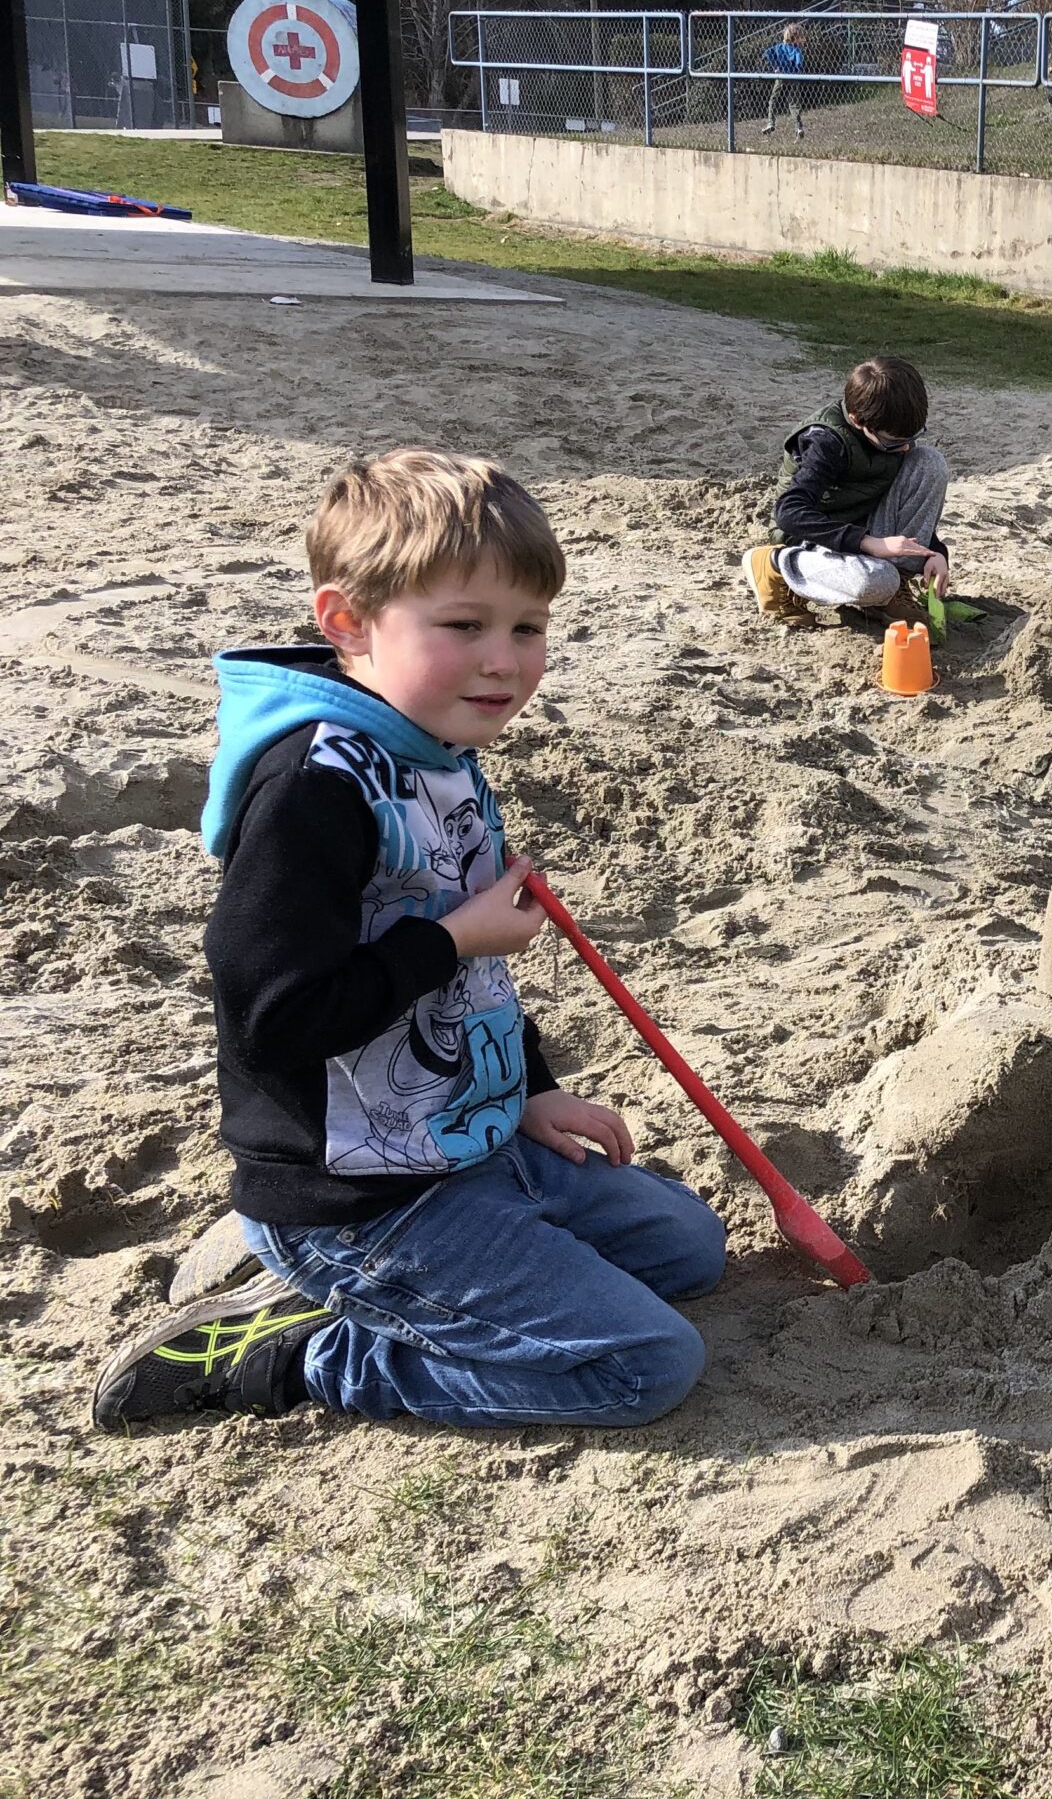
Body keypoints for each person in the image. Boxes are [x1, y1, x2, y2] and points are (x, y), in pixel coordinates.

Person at [92, 451, 728, 1433]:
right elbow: (275, 1019)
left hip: (464, 1144)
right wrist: (451, 938)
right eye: (464, 626)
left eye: (528, 628)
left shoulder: (439, 747)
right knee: (645, 1364)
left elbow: (472, 988)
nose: (504, 660)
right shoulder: (315, 787)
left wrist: (532, 1088)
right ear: (348, 622)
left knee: (691, 1251)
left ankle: (460, 1261)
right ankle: (313, 1352)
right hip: (358, 1199)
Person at [744, 355, 952, 629]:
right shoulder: (825, 441)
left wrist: (935, 553)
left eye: (911, 438)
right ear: (856, 420)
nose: (904, 448)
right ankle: (775, 566)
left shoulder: (891, 432)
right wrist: (870, 543)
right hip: (814, 537)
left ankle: (893, 591)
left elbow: (904, 504)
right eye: (894, 442)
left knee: (930, 461)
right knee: (877, 581)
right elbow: (789, 512)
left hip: (863, 524)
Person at [763, 21, 809, 139]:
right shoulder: (796, 50)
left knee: (773, 99)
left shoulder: (779, 47)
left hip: (781, 76)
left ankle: (770, 122)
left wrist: (776, 67)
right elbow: (799, 63)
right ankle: (798, 127)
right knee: (793, 103)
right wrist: (797, 69)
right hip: (793, 77)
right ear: (794, 38)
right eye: (800, 38)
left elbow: (768, 53)